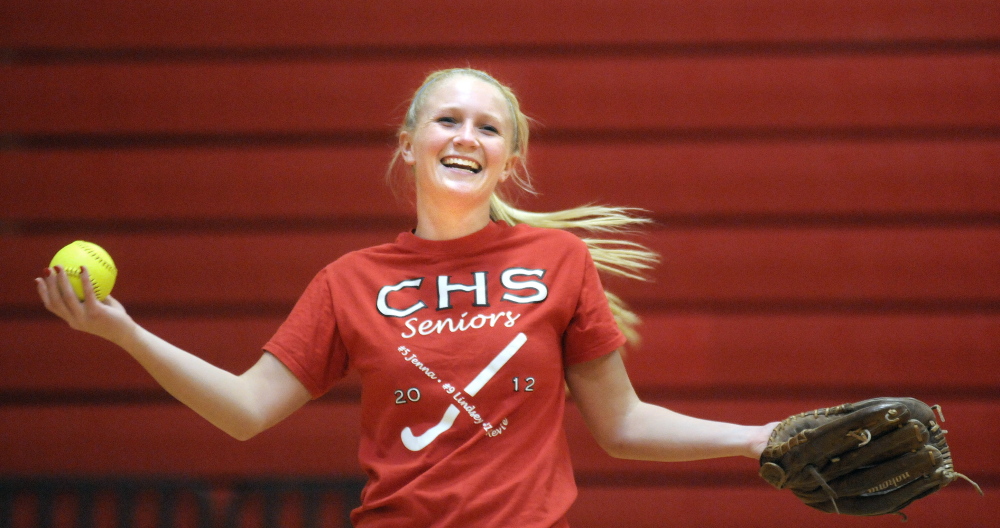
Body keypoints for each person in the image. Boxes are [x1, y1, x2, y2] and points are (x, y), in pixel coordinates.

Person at [37, 68, 778, 527]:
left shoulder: (559, 260)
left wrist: (755, 438)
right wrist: (125, 334)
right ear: (408, 141)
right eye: (447, 120)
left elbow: (623, 423)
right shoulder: (350, 280)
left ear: (510, 160)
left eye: (488, 128)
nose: (466, 137)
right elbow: (245, 410)